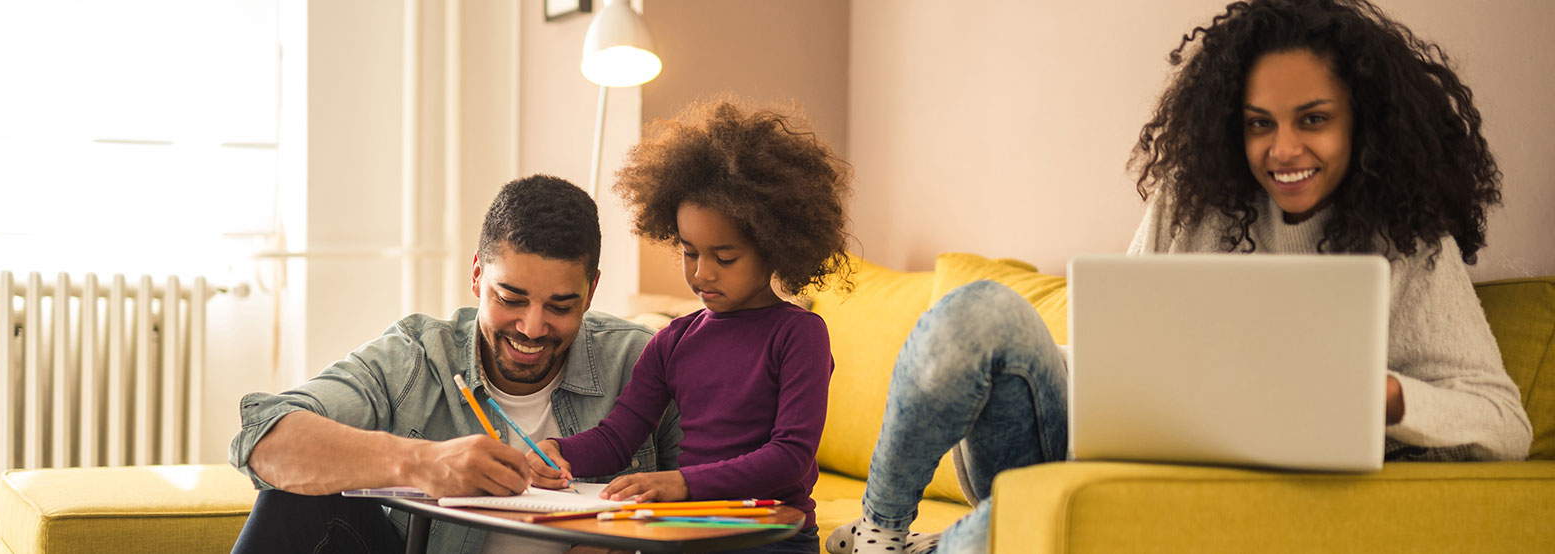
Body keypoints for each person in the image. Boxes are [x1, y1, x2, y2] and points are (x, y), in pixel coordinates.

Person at [828, 1, 1535, 553]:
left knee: (1006, 532)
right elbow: (1120, 352)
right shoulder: (1192, 202)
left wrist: (1385, 396)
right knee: (979, 308)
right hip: (1092, 446)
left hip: (1169, 495)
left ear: (1363, 123)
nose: (1283, 149)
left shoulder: (1412, 246)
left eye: (1313, 120)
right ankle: (882, 534)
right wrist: (1066, 371)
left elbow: (1504, 422)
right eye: (1260, 124)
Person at [227, 175, 683, 554]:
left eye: (561, 306)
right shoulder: (416, 358)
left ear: (591, 290)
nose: (532, 327)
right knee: (295, 497)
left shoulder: (644, 361)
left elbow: (719, 503)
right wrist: (420, 463)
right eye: (510, 299)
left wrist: (625, 541)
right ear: (477, 275)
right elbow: (263, 437)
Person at [525, 100, 854, 554]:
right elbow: (618, 437)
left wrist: (682, 483)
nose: (702, 273)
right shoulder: (673, 341)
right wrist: (559, 451)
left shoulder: (800, 335)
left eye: (724, 257)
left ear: (776, 247)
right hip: (688, 531)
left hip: (770, 535)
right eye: (689, 252)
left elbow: (790, 458)